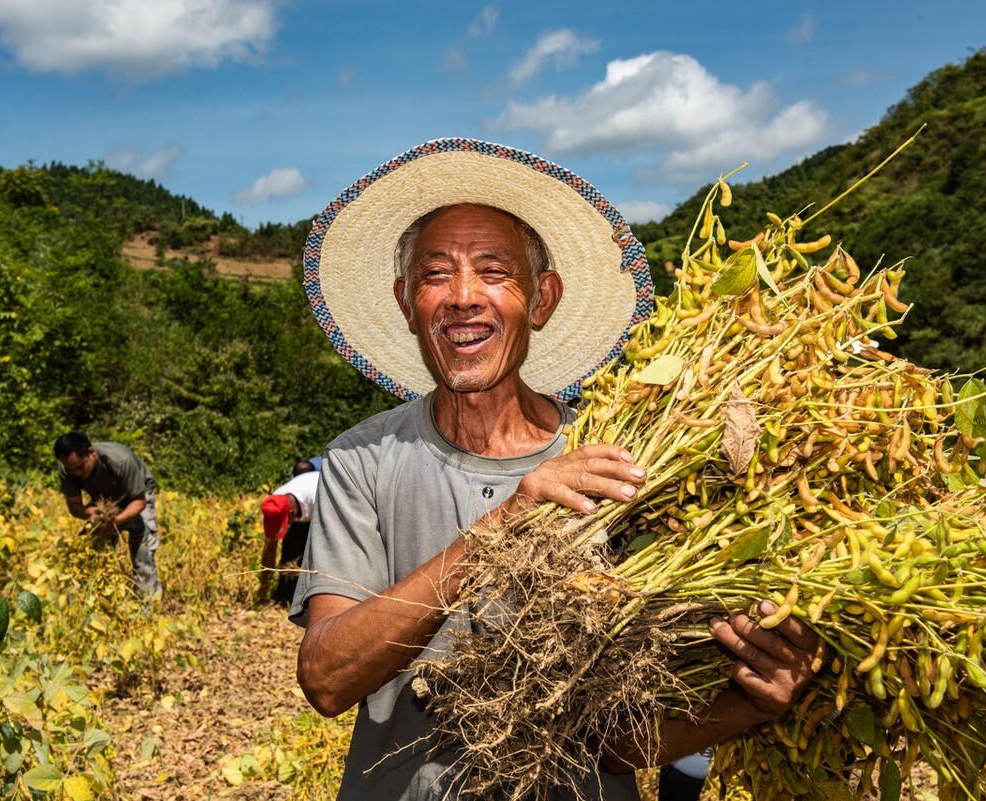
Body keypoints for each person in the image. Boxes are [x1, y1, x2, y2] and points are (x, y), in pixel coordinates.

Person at [289, 138, 822, 800]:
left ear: (541, 299)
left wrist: (753, 704)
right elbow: (328, 677)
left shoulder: (623, 461)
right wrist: (504, 523)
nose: (461, 296)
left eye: (492, 271)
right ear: (406, 301)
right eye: (434, 275)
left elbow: (619, 741)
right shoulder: (361, 460)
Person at [54, 431, 163, 598]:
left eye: (80, 466)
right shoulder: (67, 468)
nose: (76, 472)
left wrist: (114, 523)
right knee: (91, 551)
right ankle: (95, 602)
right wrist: (91, 512)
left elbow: (139, 501)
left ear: (91, 453)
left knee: (142, 552)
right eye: (71, 469)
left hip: (136, 494)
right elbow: (74, 507)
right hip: (103, 500)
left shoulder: (120, 460)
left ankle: (148, 608)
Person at [258, 456, 322, 605]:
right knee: (290, 549)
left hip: (327, 504)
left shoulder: (318, 497)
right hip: (303, 508)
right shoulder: (275, 502)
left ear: (292, 513)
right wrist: (264, 585)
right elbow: (270, 547)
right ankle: (286, 595)